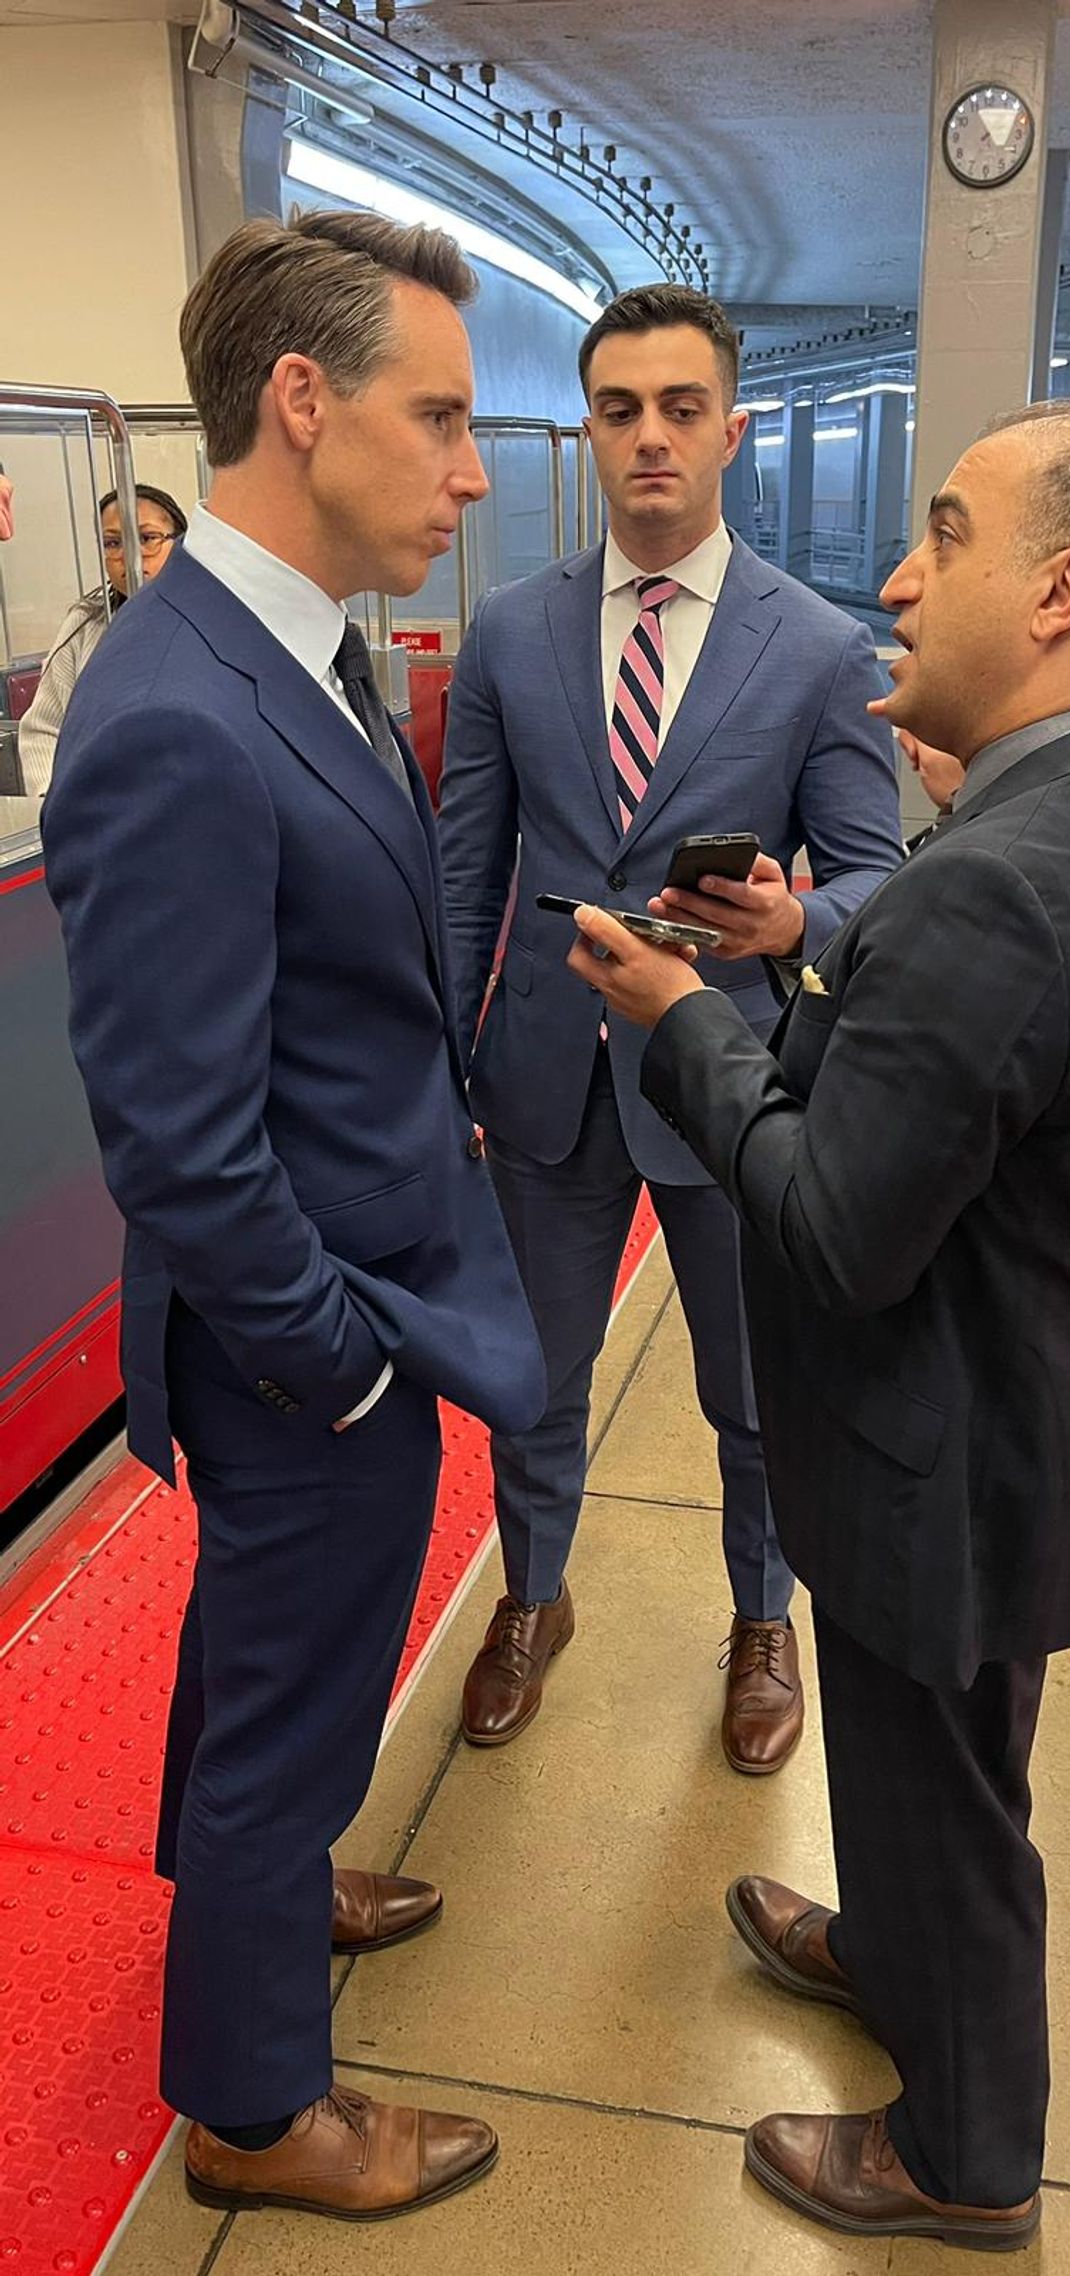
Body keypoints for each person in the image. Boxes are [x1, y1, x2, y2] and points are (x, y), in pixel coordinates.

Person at [565, 402, 1070, 2251]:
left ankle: (966, 2155)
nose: (898, 574)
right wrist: (809, 936)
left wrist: (679, 1018)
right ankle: (890, 1949)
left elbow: (832, 1224)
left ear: (1061, 587)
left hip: (934, 1445)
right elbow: (1004, 1085)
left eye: (943, 534)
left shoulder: (998, 884)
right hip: (1041, 1411)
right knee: (929, 1756)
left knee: (949, 1795)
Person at [41, 210, 546, 2225]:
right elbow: (170, 1129)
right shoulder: (176, 708)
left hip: (345, 1288)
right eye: (440, 415)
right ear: (303, 399)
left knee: (292, 1662)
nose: (475, 465)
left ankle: (262, 1890)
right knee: (286, 1679)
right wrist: (330, 1360)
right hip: (300, 1328)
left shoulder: (293, 651)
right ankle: (254, 2101)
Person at [438, 285, 902, 1771]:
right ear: (591, 426)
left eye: (681, 408)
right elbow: (467, 865)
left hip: (728, 1074)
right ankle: (534, 1594)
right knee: (537, 1373)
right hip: (546, 1076)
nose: (650, 437)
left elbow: (876, 878)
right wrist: (445, 1057)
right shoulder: (510, 632)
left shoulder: (820, 648)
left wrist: (797, 924)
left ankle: (764, 1621)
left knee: (754, 1391)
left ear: (732, 429)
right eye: (623, 409)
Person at [18, 485, 187, 795]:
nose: (129, 557)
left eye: (147, 539)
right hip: (96, 813)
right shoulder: (85, 623)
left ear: (179, 542)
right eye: (113, 543)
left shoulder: (205, 621)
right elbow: (42, 728)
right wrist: (52, 801)